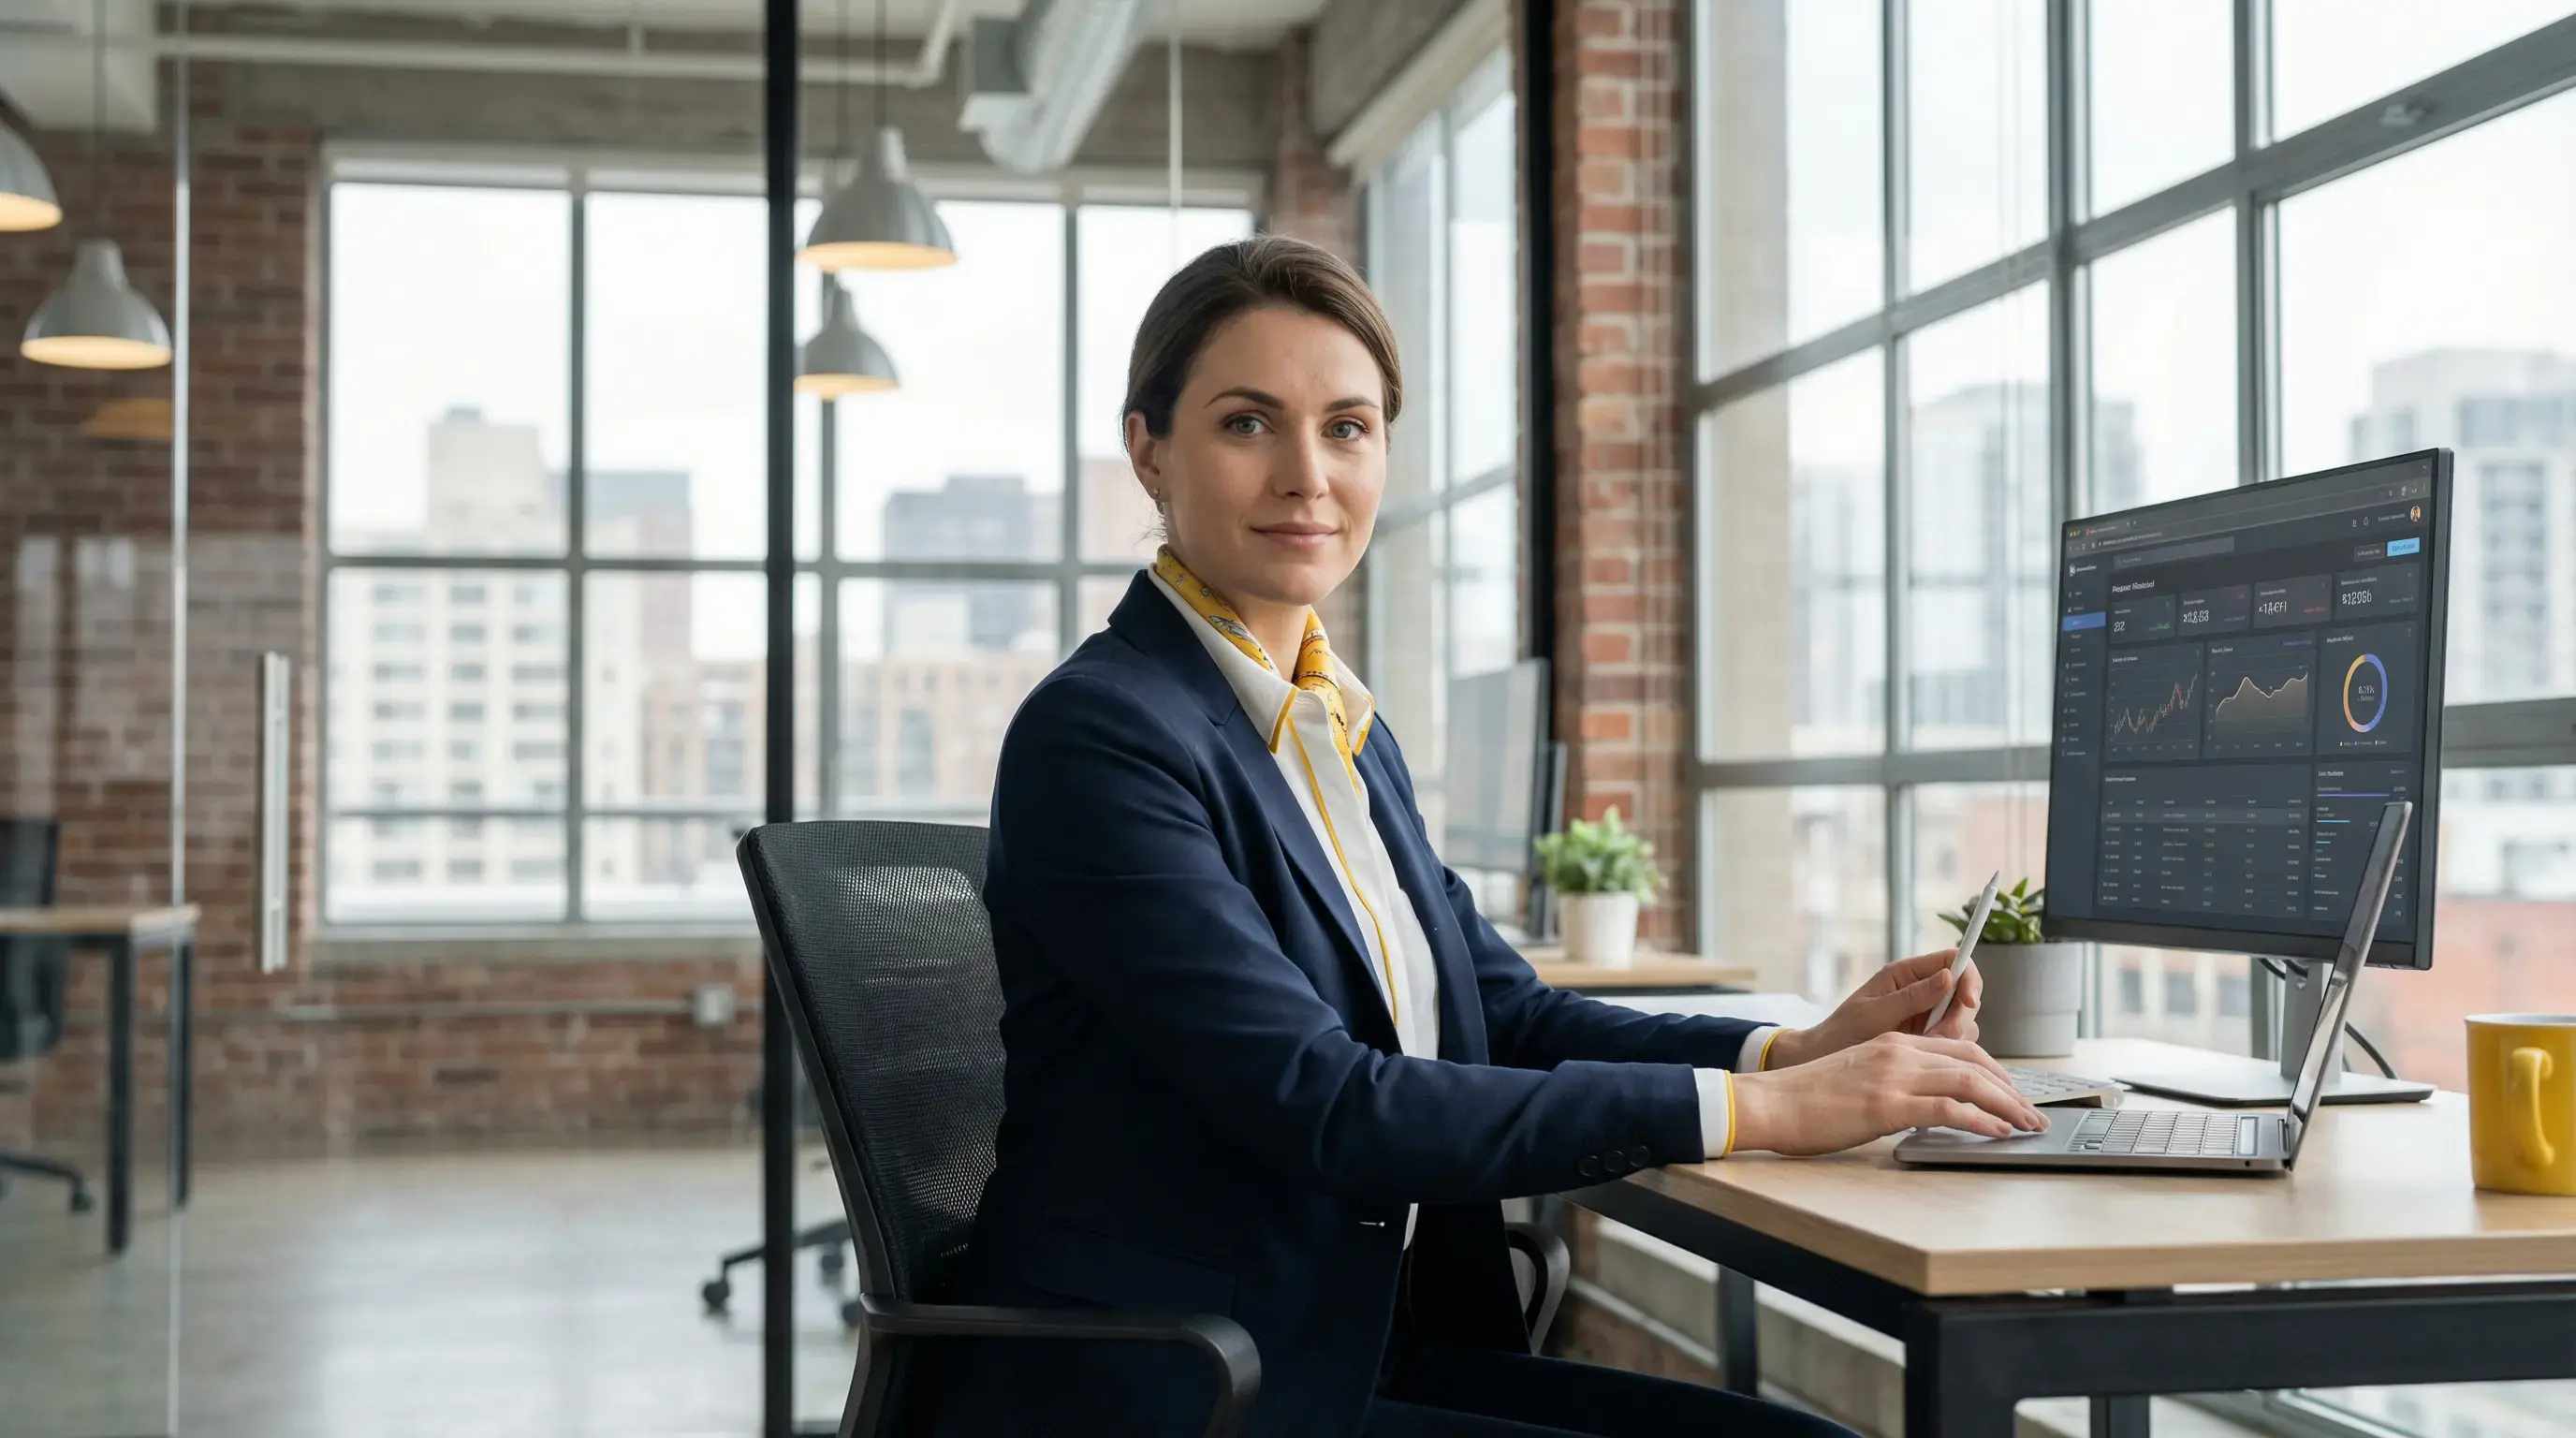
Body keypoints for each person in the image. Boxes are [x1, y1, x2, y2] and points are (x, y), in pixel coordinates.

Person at [932, 235, 2043, 1438]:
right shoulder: (1102, 734)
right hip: (1186, 1388)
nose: (1307, 475)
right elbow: (1325, 1104)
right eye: (1248, 423)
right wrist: (1769, 1116)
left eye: (1347, 428)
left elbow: (1504, 1015)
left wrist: (1792, 1051)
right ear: (1149, 450)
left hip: (1350, 1343)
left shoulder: (1337, 726)